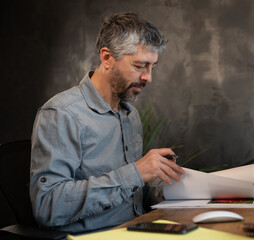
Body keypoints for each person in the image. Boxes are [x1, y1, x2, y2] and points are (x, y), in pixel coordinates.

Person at [29, 12, 185, 233]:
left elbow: (130, 194)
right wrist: (136, 173)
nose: (149, 77)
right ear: (107, 58)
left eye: (152, 67)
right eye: (140, 65)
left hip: (138, 229)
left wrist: (168, 184)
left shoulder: (130, 114)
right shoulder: (61, 114)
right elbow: (47, 207)